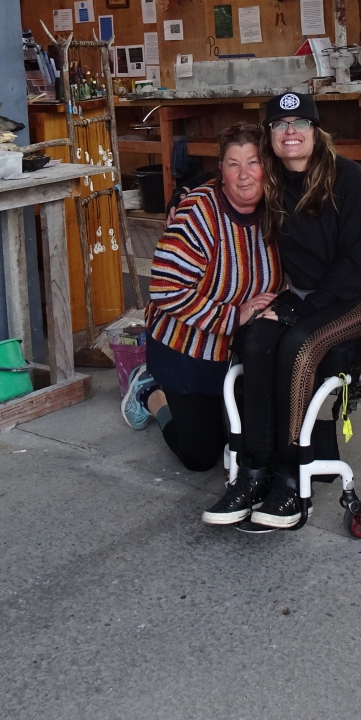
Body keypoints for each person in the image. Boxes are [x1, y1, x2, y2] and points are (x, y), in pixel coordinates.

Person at [202, 90, 361, 530]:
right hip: (306, 294)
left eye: (300, 123)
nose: (290, 132)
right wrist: (181, 199)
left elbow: (359, 262)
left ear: (315, 130)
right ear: (270, 135)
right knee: (255, 339)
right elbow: (226, 183)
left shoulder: (348, 178)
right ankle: (253, 472)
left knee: (299, 346)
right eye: (280, 125)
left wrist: (303, 306)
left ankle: (291, 479)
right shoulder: (271, 180)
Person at [120, 125, 280, 472]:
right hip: (186, 346)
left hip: (241, 349)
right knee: (201, 456)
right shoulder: (198, 213)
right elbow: (165, 289)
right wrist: (233, 316)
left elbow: (335, 203)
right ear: (220, 170)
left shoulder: (278, 205)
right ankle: (149, 392)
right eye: (233, 164)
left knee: (247, 440)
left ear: (267, 167)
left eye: (253, 162)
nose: (244, 175)